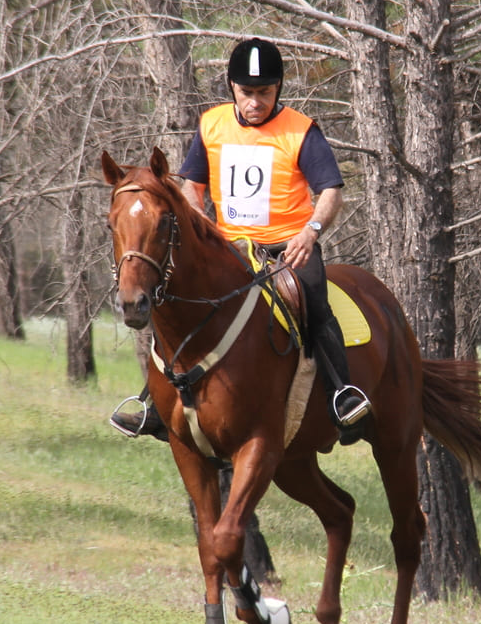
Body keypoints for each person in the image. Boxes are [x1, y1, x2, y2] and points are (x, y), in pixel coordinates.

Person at [111, 37, 373, 440]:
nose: (255, 102)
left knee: (315, 305)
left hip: (289, 248)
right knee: (171, 301)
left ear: (278, 88)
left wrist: (311, 232)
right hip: (228, 245)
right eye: (247, 92)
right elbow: (191, 186)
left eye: (264, 93)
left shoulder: (301, 131)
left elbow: (332, 192)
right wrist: (198, 217)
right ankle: (154, 402)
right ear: (232, 87)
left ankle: (342, 394)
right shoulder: (212, 124)